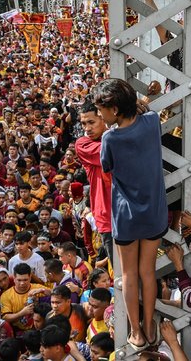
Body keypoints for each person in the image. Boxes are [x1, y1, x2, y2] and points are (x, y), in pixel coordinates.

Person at [93, 78, 168, 351]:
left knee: (128, 275)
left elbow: (107, 166)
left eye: (101, 110)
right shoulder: (150, 123)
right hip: (154, 212)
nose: (100, 115)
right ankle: (150, 325)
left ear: (113, 109)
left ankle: (135, 331)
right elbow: (145, 109)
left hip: (126, 216)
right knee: (148, 272)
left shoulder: (110, 138)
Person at [75, 102, 113, 263]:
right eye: (84, 123)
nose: (87, 128)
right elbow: (112, 149)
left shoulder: (115, 135)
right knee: (123, 274)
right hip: (107, 217)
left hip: (131, 213)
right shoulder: (83, 144)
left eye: (91, 122)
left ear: (103, 118)